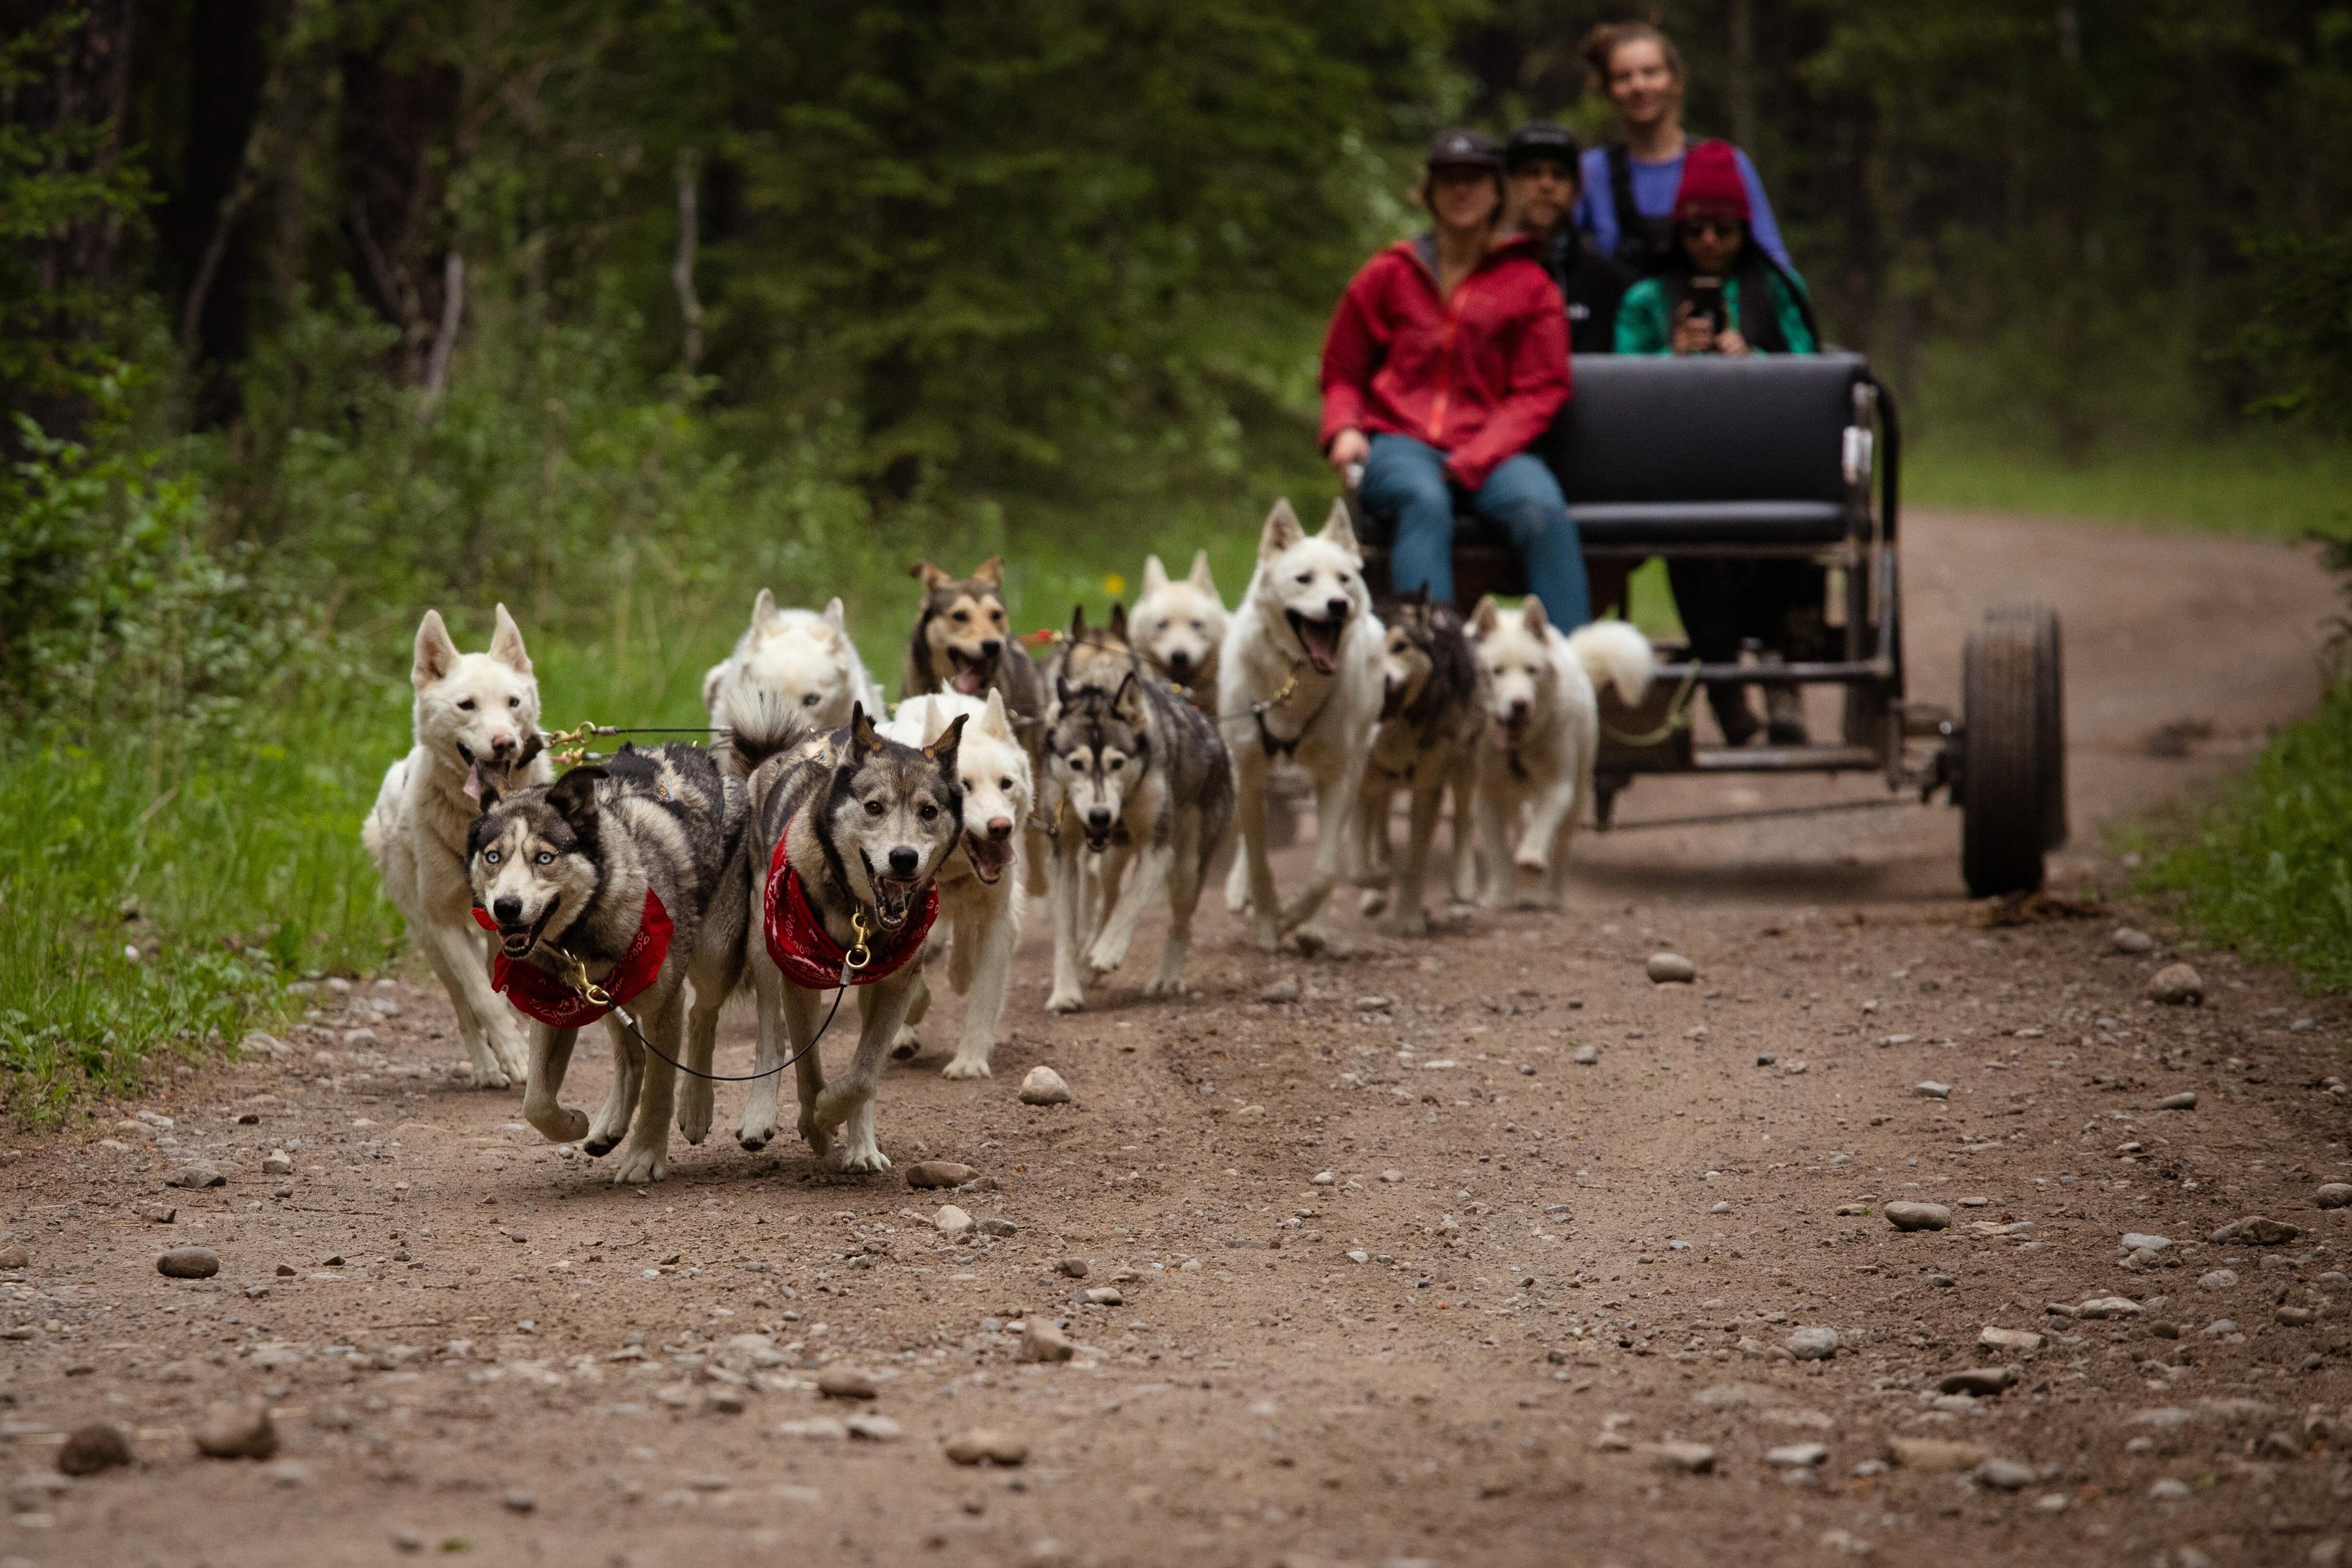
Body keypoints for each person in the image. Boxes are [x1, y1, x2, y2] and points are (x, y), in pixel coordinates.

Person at [1321, 129, 1588, 626]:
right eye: (1448, 181)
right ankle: (1434, 666)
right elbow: (1343, 369)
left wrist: (1477, 456)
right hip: (1401, 441)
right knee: (1422, 502)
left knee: (1541, 509)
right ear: (1429, 191)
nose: (1461, 191)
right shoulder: (1389, 272)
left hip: (1495, 445)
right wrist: (1344, 428)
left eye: (1475, 180)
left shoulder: (1529, 282)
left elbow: (1542, 387)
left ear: (1498, 193)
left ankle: (1572, 674)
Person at [1573, 20, 1795, 275]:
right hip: (1620, 313)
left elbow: (1773, 260)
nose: (1639, 86)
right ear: (1607, 90)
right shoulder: (1592, 171)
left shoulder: (1723, 163)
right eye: (1624, 77)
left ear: (1675, 80)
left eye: (1651, 72)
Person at [1613, 139, 1815, 356]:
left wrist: (1752, 360)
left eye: (1724, 230)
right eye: (1695, 230)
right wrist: (1674, 355)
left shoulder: (1780, 289)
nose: (1709, 240)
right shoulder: (1646, 299)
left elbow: (1809, 367)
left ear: (1745, 232)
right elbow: (1625, 376)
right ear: (1678, 232)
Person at [1504, 121, 1630, 355]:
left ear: (1577, 190)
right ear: (1509, 185)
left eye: (1559, 175)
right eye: (1532, 173)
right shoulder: (1483, 270)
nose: (1546, 185)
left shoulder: (1605, 280)